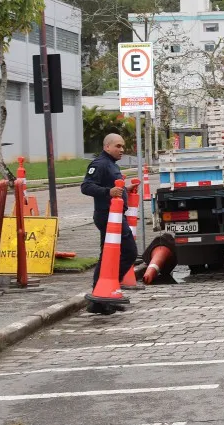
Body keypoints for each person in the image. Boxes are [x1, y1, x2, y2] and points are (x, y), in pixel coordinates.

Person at [81, 133, 138, 315]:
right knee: (129, 253)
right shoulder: (100, 164)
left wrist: (124, 189)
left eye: (123, 146)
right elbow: (86, 186)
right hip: (107, 216)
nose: (122, 150)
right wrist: (109, 192)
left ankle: (103, 296)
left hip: (115, 217)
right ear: (107, 147)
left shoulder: (111, 164)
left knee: (109, 257)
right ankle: (102, 293)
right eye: (118, 146)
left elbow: (113, 187)